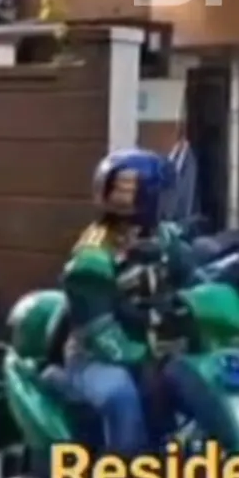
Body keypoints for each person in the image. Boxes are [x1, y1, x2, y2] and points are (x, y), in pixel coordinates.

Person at [59, 148, 179, 461]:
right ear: (141, 200)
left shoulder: (162, 236)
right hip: (94, 357)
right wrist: (146, 358)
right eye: (160, 196)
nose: (167, 203)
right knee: (121, 395)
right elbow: (101, 334)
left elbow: (192, 270)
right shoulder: (93, 256)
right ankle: (121, 476)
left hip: (149, 347)